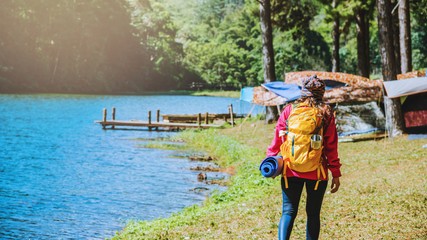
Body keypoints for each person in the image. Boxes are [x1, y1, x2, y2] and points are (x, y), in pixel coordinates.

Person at [266, 75, 342, 240]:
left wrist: (270, 161)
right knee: (313, 214)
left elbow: (278, 139)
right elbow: (331, 147)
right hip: (317, 172)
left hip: (290, 169)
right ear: (321, 93)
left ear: (303, 91)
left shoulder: (290, 110)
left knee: (288, 211)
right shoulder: (326, 112)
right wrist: (335, 173)